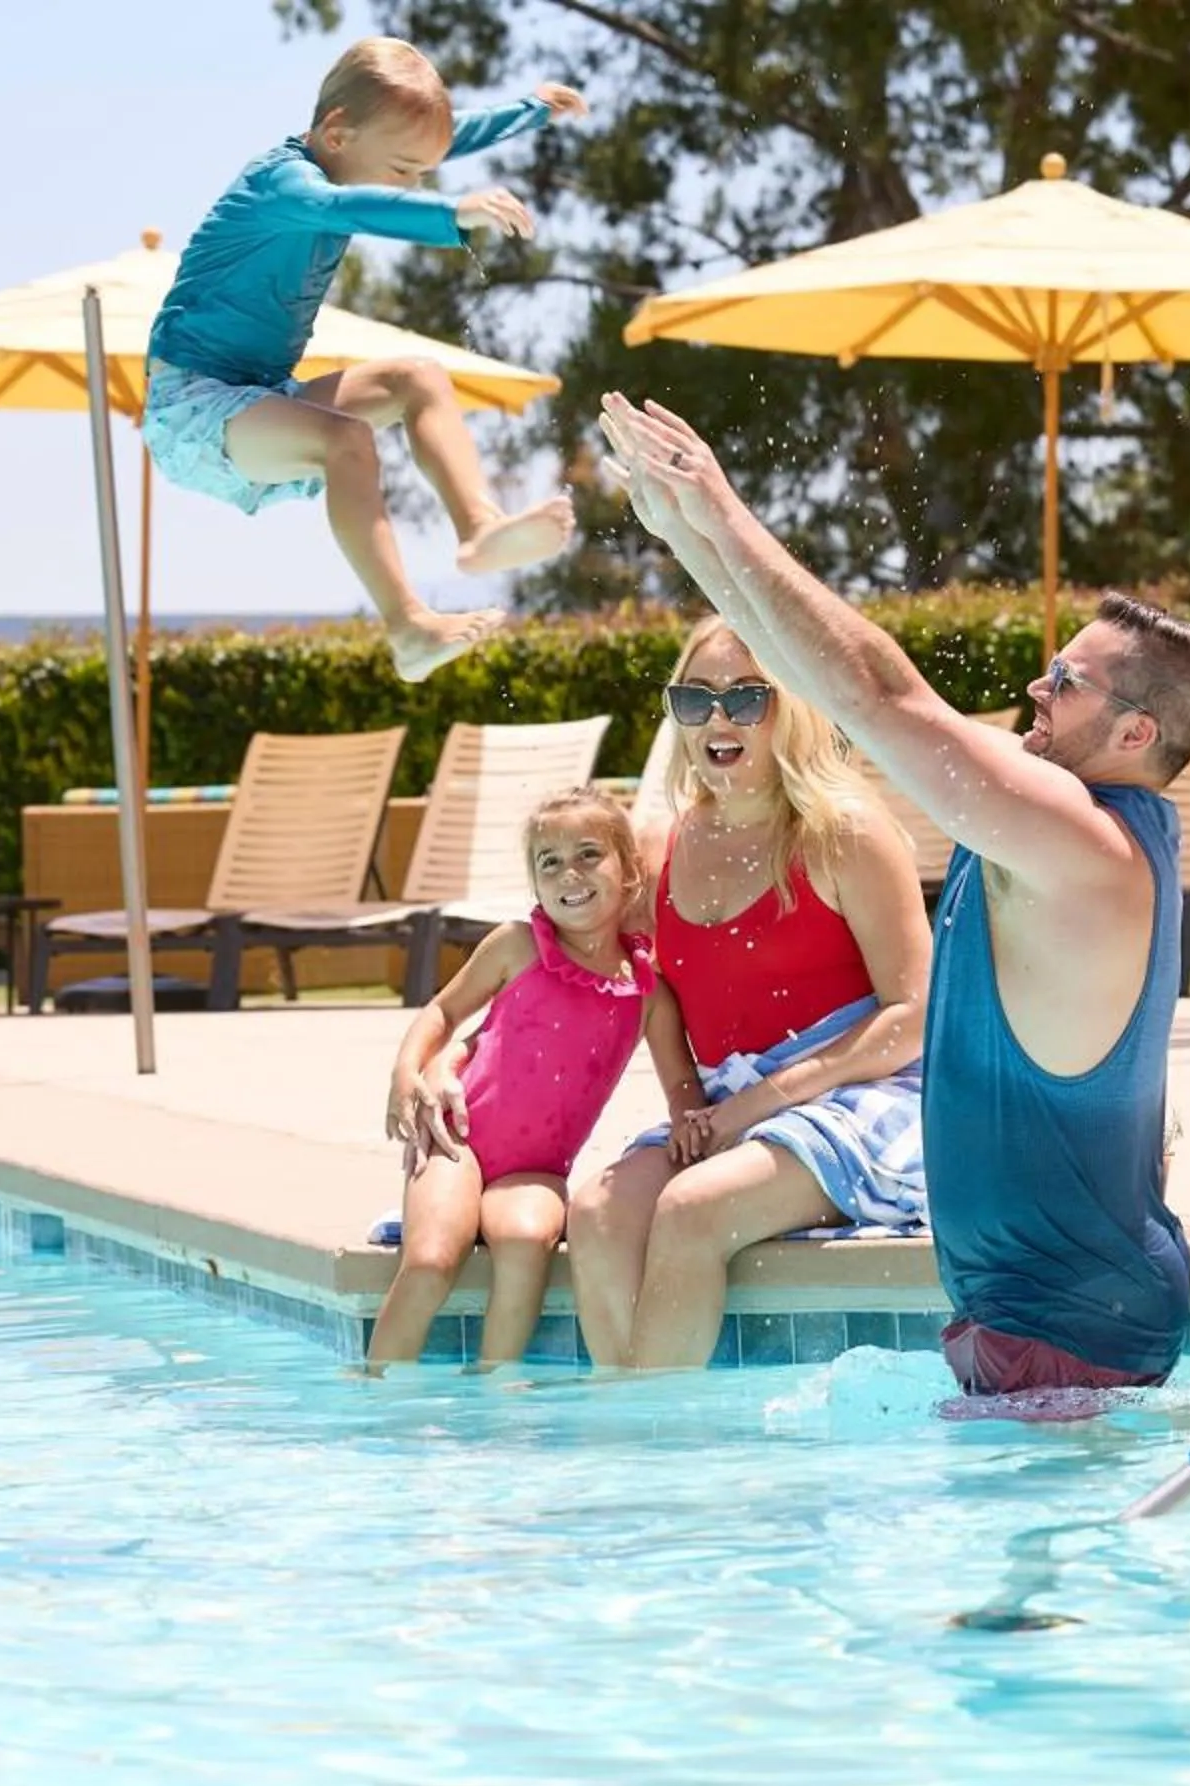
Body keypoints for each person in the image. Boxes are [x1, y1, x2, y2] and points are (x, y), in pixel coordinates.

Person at [597, 394, 1190, 1405]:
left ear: (1135, 736)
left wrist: (721, 511)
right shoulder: (1064, 830)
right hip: (1039, 1319)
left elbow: (876, 696)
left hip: (1069, 1330)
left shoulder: (1085, 842)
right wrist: (687, 537)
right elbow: (823, 678)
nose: (1036, 685)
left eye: (1066, 679)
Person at [554, 617, 935, 1371]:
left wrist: (757, 1107)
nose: (717, 720)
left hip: (865, 1091)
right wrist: (444, 1055)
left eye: (745, 699)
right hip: (730, 1099)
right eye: (694, 702)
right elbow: (622, 981)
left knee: (692, 1211)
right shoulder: (662, 843)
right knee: (597, 1213)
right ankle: (630, 1436)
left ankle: (671, 1449)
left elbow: (916, 1014)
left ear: (791, 706)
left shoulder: (844, 833)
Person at [144, 37, 584, 681]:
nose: (412, 184)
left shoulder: (353, 151)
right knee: (348, 440)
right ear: (337, 133)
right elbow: (347, 207)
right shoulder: (283, 183)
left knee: (419, 378)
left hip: (265, 397)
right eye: (403, 171)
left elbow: (445, 137)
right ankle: (408, 626)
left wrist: (531, 109)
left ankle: (479, 528)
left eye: (421, 177)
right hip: (193, 407)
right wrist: (450, 212)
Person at [373, 788, 699, 1372]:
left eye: (588, 854)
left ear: (628, 870)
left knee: (526, 1243)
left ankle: (497, 1390)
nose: (568, 873)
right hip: (457, 1143)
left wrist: (694, 1137)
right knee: (429, 1260)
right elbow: (442, 1013)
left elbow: (683, 1089)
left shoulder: (648, 991)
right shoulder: (518, 945)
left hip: (536, 1169)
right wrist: (407, 1072)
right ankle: (377, 1388)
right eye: (549, 861)